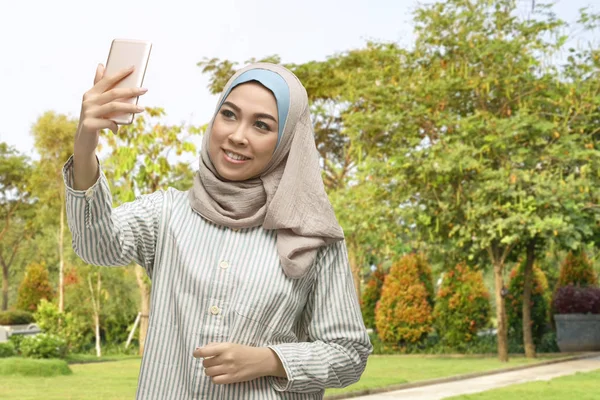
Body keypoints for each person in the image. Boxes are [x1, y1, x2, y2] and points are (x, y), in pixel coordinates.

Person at [64, 61, 372, 399]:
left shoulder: (312, 235)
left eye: (261, 125)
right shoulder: (167, 214)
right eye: (228, 115)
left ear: (286, 142)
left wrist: (271, 360)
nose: (237, 136)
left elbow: (349, 353)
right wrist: (85, 144)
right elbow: (96, 245)